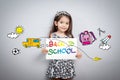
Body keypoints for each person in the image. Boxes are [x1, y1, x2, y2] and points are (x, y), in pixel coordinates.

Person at [42, 11, 82, 80]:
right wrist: (44, 50)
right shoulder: (53, 35)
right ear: (56, 23)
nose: (64, 25)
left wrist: (78, 54)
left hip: (67, 65)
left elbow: (74, 49)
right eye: (61, 22)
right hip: (56, 64)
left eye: (67, 23)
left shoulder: (69, 36)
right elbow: (49, 48)